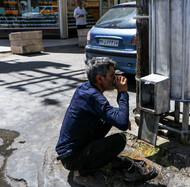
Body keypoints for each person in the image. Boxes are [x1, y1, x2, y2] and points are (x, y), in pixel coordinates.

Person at [56, 57, 157, 186]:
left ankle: (90, 162)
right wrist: (122, 93)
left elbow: (115, 117)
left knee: (110, 119)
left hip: (72, 151)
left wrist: (120, 117)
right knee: (120, 140)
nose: (115, 79)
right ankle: (82, 172)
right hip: (72, 158)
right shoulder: (93, 96)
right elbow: (122, 124)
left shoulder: (85, 89)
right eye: (112, 75)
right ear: (99, 79)